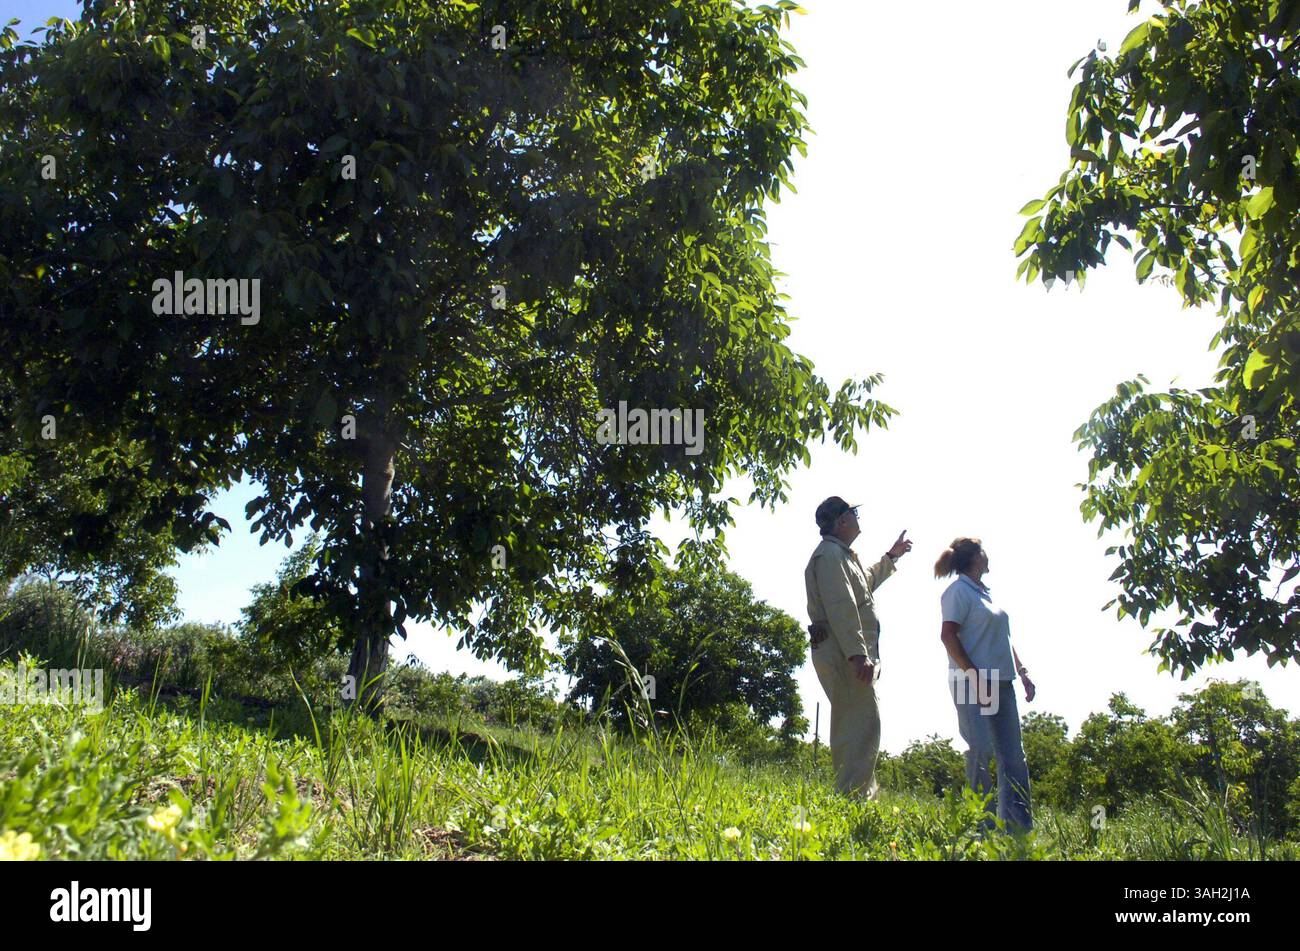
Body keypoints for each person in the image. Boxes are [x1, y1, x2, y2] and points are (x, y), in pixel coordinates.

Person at [804, 496, 912, 799]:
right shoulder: (830, 556)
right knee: (859, 724)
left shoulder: (840, 556)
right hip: (844, 653)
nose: (857, 517)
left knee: (859, 722)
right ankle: (853, 799)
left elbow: (862, 586)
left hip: (844, 651)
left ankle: (857, 796)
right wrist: (858, 654)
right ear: (841, 521)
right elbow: (842, 605)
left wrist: (891, 557)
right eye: (853, 513)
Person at [936, 537, 1036, 832]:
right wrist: (975, 677)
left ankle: (1017, 830)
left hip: (1002, 681)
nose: (988, 556)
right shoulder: (958, 592)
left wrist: (1022, 671)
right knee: (981, 750)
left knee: (1013, 757)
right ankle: (982, 829)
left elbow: (1003, 638)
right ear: (976, 557)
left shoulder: (985, 593)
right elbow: (948, 636)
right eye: (984, 551)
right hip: (972, 681)